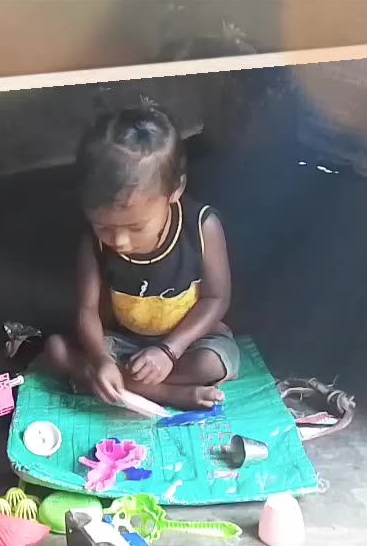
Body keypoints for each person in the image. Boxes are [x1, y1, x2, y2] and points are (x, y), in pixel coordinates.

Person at [45, 100, 239, 410]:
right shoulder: (92, 243)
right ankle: (168, 394)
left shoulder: (202, 227)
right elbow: (86, 311)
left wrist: (169, 350)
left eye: (136, 227)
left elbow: (216, 299)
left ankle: (108, 383)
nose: (119, 241)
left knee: (211, 364)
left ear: (175, 190)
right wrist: (99, 358)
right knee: (56, 350)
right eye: (102, 225)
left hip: (185, 343)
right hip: (123, 342)